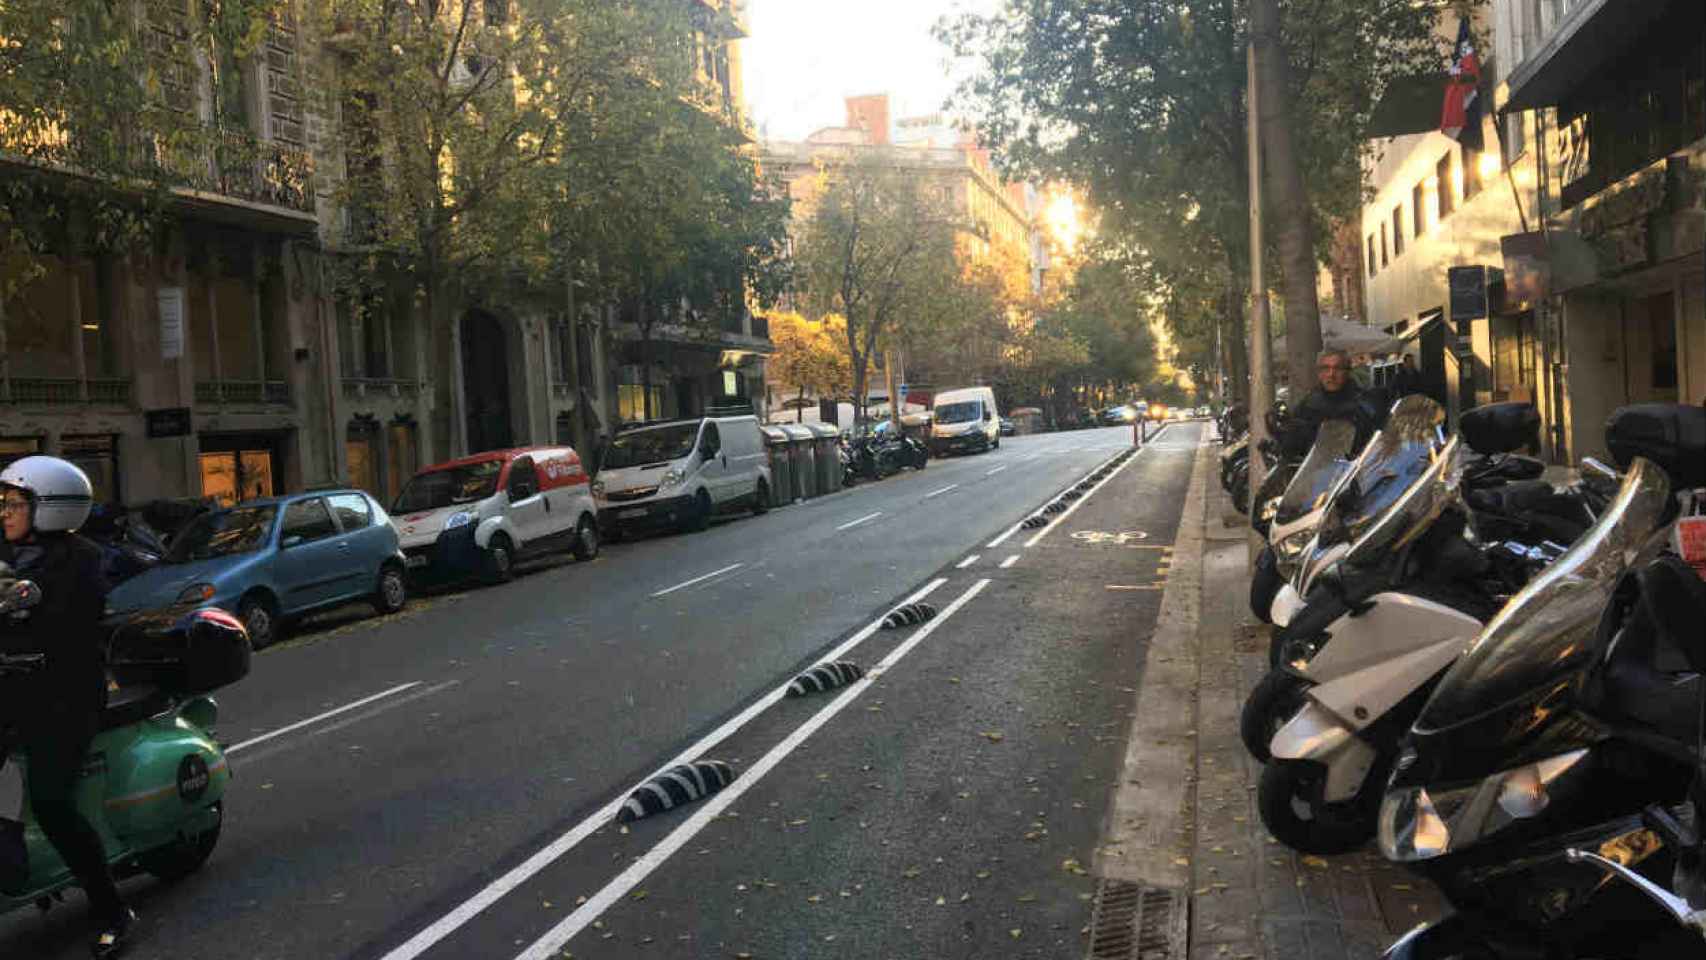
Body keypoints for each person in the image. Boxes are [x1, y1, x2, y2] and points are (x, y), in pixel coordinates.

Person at [0, 457, 134, 958]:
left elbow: (69, 622)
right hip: (11, 691)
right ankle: (11, 855)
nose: (6, 512)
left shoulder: (83, 559)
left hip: (64, 697)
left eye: (15, 503)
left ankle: (112, 910)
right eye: (4, 502)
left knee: (52, 801)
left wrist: (19, 607)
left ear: (49, 507)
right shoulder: (8, 552)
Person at [1280, 348, 1386, 457]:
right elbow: (1292, 449)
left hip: (1358, 469)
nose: (1331, 374)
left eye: (1338, 368)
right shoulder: (1308, 405)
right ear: (1319, 373)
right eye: (1326, 368)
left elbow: (1385, 437)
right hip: (1319, 469)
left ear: (1348, 371)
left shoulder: (1365, 403)